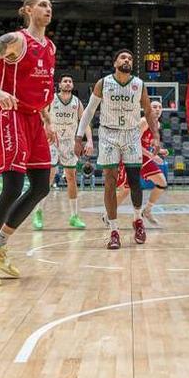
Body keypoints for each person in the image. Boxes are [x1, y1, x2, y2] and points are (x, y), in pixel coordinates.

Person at [0, 0, 58, 287]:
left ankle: (1, 247)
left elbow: (44, 89)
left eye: (50, 5)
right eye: (43, 4)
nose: (48, 9)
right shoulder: (14, 41)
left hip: (34, 119)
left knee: (41, 186)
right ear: (28, 10)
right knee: (13, 187)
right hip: (12, 114)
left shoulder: (51, 47)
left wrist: (48, 120)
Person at [76, 50, 161, 250]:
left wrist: (156, 136)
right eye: (123, 57)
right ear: (115, 62)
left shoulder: (139, 84)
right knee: (110, 182)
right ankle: (113, 230)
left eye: (130, 58)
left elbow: (148, 111)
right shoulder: (103, 83)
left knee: (134, 181)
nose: (127, 60)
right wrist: (79, 137)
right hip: (108, 134)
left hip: (131, 134)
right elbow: (89, 111)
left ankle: (138, 220)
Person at [36, 75, 92, 230]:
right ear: (59, 84)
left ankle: (74, 216)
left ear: (73, 85)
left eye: (70, 81)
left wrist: (90, 140)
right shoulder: (51, 99)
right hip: (52, 141)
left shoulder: (77, 102)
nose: (67, 83)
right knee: (49, 177)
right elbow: (42, 116)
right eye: (65, 81)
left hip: (70, 142)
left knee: (71, 178)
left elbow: (85, 122)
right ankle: (38, 212)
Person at [115, 100, 170, 227]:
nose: (157, 109)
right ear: (148, 109)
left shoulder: (158, 124)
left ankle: (147, 210)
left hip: (143, 157)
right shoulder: (144, 121)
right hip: (131, 156)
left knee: (162, 183)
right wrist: (153, 156)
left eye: (160, 107)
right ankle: (109, 215)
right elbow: (133, 143)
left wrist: (159, 151)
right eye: (154, 107)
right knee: (125, 191)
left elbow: (147, 143)